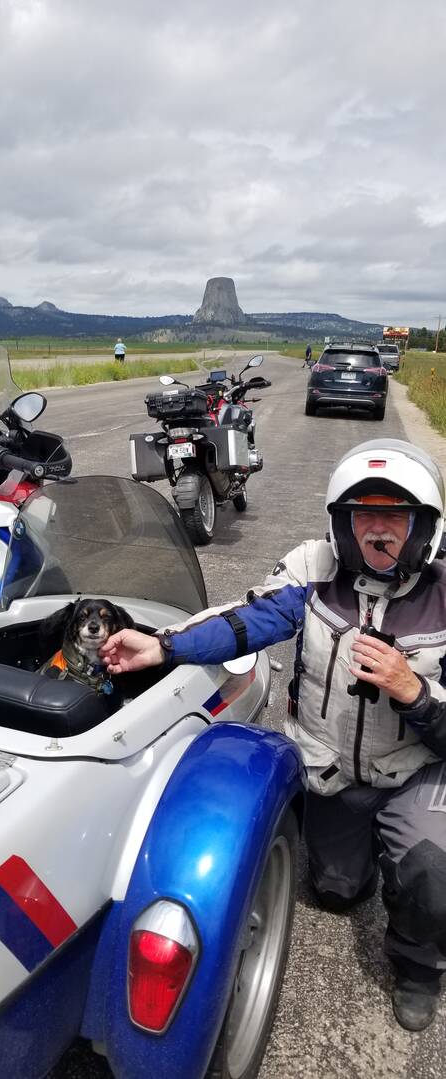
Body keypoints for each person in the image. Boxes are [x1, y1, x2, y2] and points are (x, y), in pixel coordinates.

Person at [100, 438, 446, 1032]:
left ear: (424, 527)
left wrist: (413, 690)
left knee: (433, 874)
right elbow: (247, 618)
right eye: (363, 515)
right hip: (333, 770)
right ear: (342, 523)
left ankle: (419, 968)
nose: (378, 530)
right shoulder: (316, 570)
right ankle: (363, 854)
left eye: (395, 516)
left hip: (413, 769)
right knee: (336, 890)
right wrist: (162, 645)